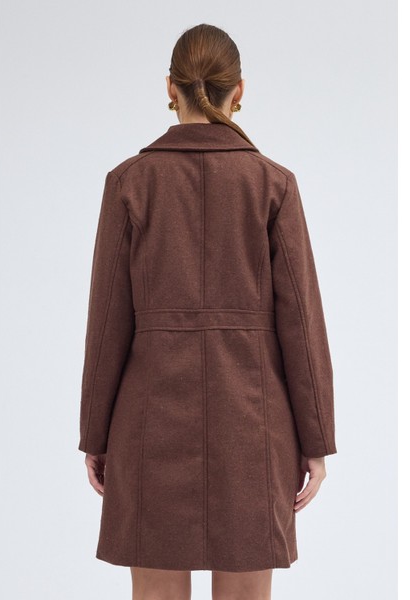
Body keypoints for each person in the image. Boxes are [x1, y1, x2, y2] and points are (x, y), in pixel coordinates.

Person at [78, 23, 337, 600]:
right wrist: (316, 440)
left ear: (170, 87)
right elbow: (302, 323)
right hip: (252, 426)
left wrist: (95, 433)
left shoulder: (128, 183)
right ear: (237, 90)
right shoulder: (273, 184)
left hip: (147, 424)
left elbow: (106, 324)